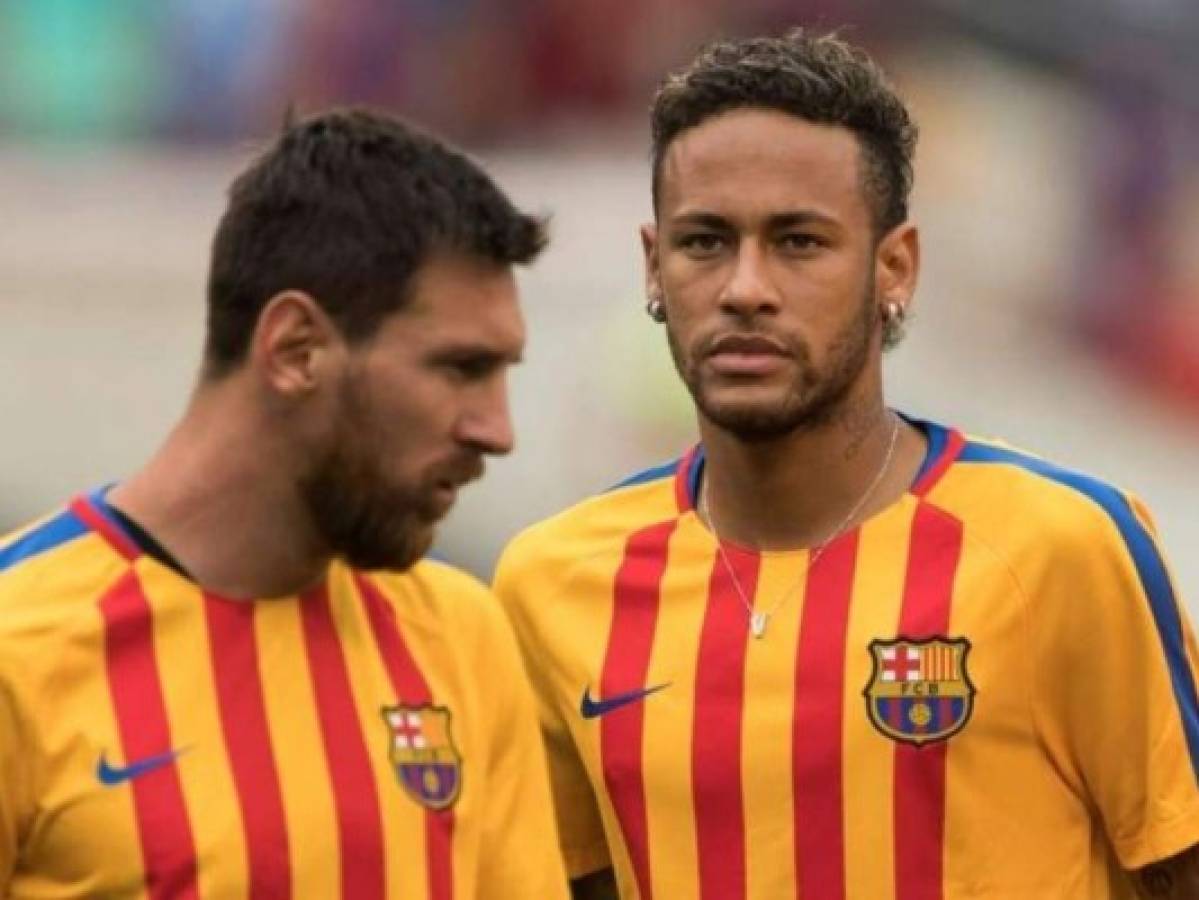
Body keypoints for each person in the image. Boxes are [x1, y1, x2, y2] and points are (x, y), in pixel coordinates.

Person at [493, 29, 1199, 900]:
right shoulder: (552, 583)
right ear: (652, 266)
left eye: (798, 242)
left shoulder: (1062, 549)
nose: (745, 288)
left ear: (893, 268)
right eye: (705, 242)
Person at [0, 107, 569, 899]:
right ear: (296, 349)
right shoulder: (19, 646)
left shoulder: (460, 635)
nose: (496, 430)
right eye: (461, 369)